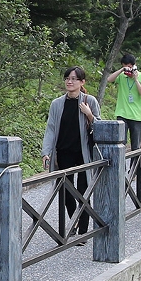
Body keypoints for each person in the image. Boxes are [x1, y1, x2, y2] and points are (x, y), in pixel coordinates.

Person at [40, 67, 100, 235]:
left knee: (83, 190)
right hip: (63, 152)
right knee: (65, 189)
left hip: (83, 153)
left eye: (74, 79)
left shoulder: (90, 101)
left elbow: (100, 127)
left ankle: (82, 231)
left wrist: (89, 115)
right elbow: (50, 129)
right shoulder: (57, 104)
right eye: (67, 78)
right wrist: (46, 151)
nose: (69, 81)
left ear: (82, 82)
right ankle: (73, 222)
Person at [113, 53, 141, 150]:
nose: (128, 70)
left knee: (136, 147)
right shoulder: (122, 76)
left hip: (136, 116)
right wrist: (122, 70)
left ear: (134, 66)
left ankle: (136, 165)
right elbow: (109, 79)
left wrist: (136, 79)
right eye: (125, 67)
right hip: (122, 114)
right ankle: (122, 165)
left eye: (129, 67)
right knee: (120, 144)